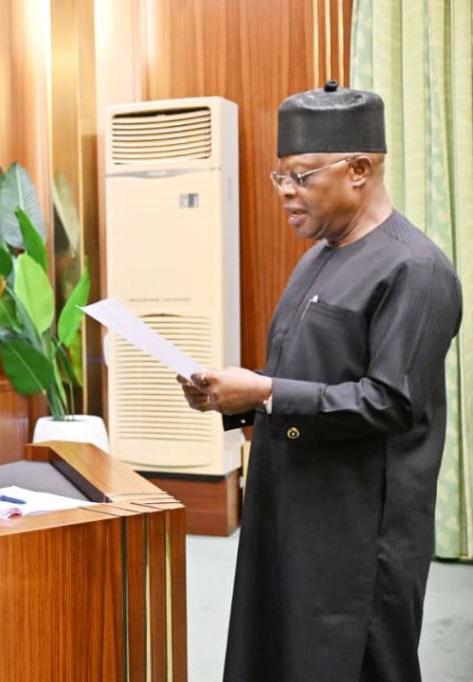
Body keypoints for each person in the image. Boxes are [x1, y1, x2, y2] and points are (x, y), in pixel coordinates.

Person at [179, 81, 462, 681]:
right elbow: (303, 379)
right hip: (290, 507)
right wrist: (232, 397)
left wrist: (263, 392)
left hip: (359, 534)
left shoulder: (417, 270)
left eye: (301, 177)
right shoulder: (318, 255)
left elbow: (389, 403)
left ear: (358, 169)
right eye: (279, 177)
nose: (286, 193)